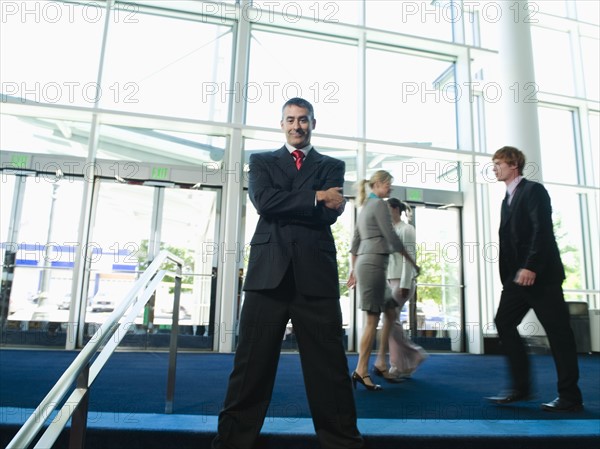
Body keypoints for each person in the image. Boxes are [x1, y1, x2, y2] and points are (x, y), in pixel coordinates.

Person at [212, 98, 364, 449]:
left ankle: (342, 441)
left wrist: (301, 201)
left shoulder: (332, 165)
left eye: (304, 120)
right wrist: (315, 197)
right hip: (268, 275)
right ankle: (233, 441)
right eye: (290, 120)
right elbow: (265, 202)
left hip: (316, 276)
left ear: (314, 123)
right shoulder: (261, 161)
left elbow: (329, 214)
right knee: (251, 366)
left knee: (329, 368)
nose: (297, 126)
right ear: (281, 124)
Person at [486, 146, 584, 412]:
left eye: (498, 163)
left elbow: (542, 231)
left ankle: (570, 397)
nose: (494, 168)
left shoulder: (533, 191)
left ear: (514, 164)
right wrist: (511, 277)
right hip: (517, 281)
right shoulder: (506, 198)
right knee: (503, 322)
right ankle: (520, 387)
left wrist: (531, 266)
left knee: (559, 334)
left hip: (541, 278)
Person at [347, 171, 419, 390]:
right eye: (388, 184)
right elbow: (391, 237)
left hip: (369, 264)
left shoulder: (365, 207)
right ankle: (361, 370)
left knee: (390, 312)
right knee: (372, 319)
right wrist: (412, 263)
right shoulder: (378, 205)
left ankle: (380, 362)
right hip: (374, 265)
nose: (391, 188)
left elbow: (355, 243)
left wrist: (353, 269)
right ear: (377, 184)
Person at [373, 199, 427, 380]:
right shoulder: (389, 230)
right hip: (389, 280)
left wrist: (405, 282)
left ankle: (405, 360)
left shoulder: (407, 229)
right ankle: (409, 359)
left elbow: (409, 256)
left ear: (395, 209)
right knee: (391, 320)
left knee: (389, 319)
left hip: (401, 281)